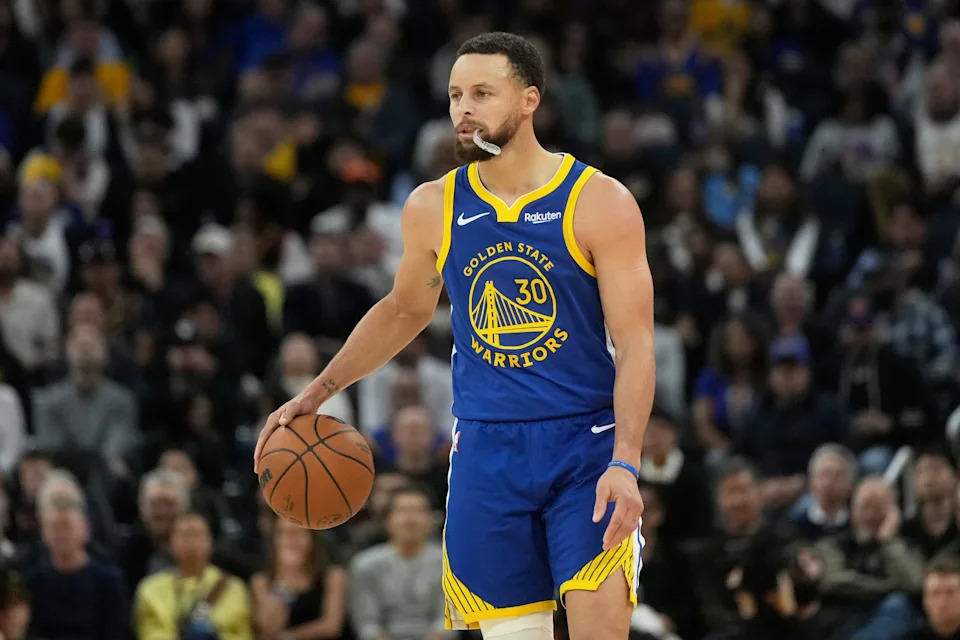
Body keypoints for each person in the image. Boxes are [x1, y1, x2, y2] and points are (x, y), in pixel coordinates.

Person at [255, 31, 655, 640]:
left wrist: (626, 461)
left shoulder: (599, 201)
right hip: (485, 452)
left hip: (585, 446)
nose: (463, 110)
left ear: (529, 100)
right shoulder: (432, 206)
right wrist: (318, 392)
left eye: (481, 94)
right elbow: (403, 311)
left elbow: (636, 344)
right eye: (455, 96)